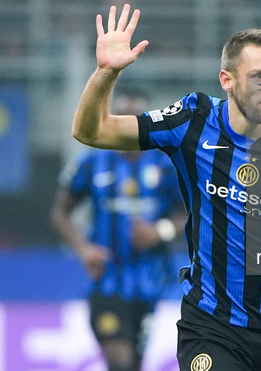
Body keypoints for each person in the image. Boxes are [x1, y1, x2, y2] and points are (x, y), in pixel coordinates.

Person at [71, 4, 261, 371]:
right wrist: (106, 73)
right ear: (226, 80)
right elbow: (91, 132)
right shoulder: (192, 121)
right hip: (211, 325)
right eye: (259, 76)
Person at [51, 88, 184, 371]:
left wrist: (160, 231)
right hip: (106, 282)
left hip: (149, 283)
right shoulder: (92, 162)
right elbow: (61, 212)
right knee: (120, 360)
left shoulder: (166, 165)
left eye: (136, 119)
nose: (128, 125)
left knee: (132, 364)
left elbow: (191, 214)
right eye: (122, 117)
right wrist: (83, 249)